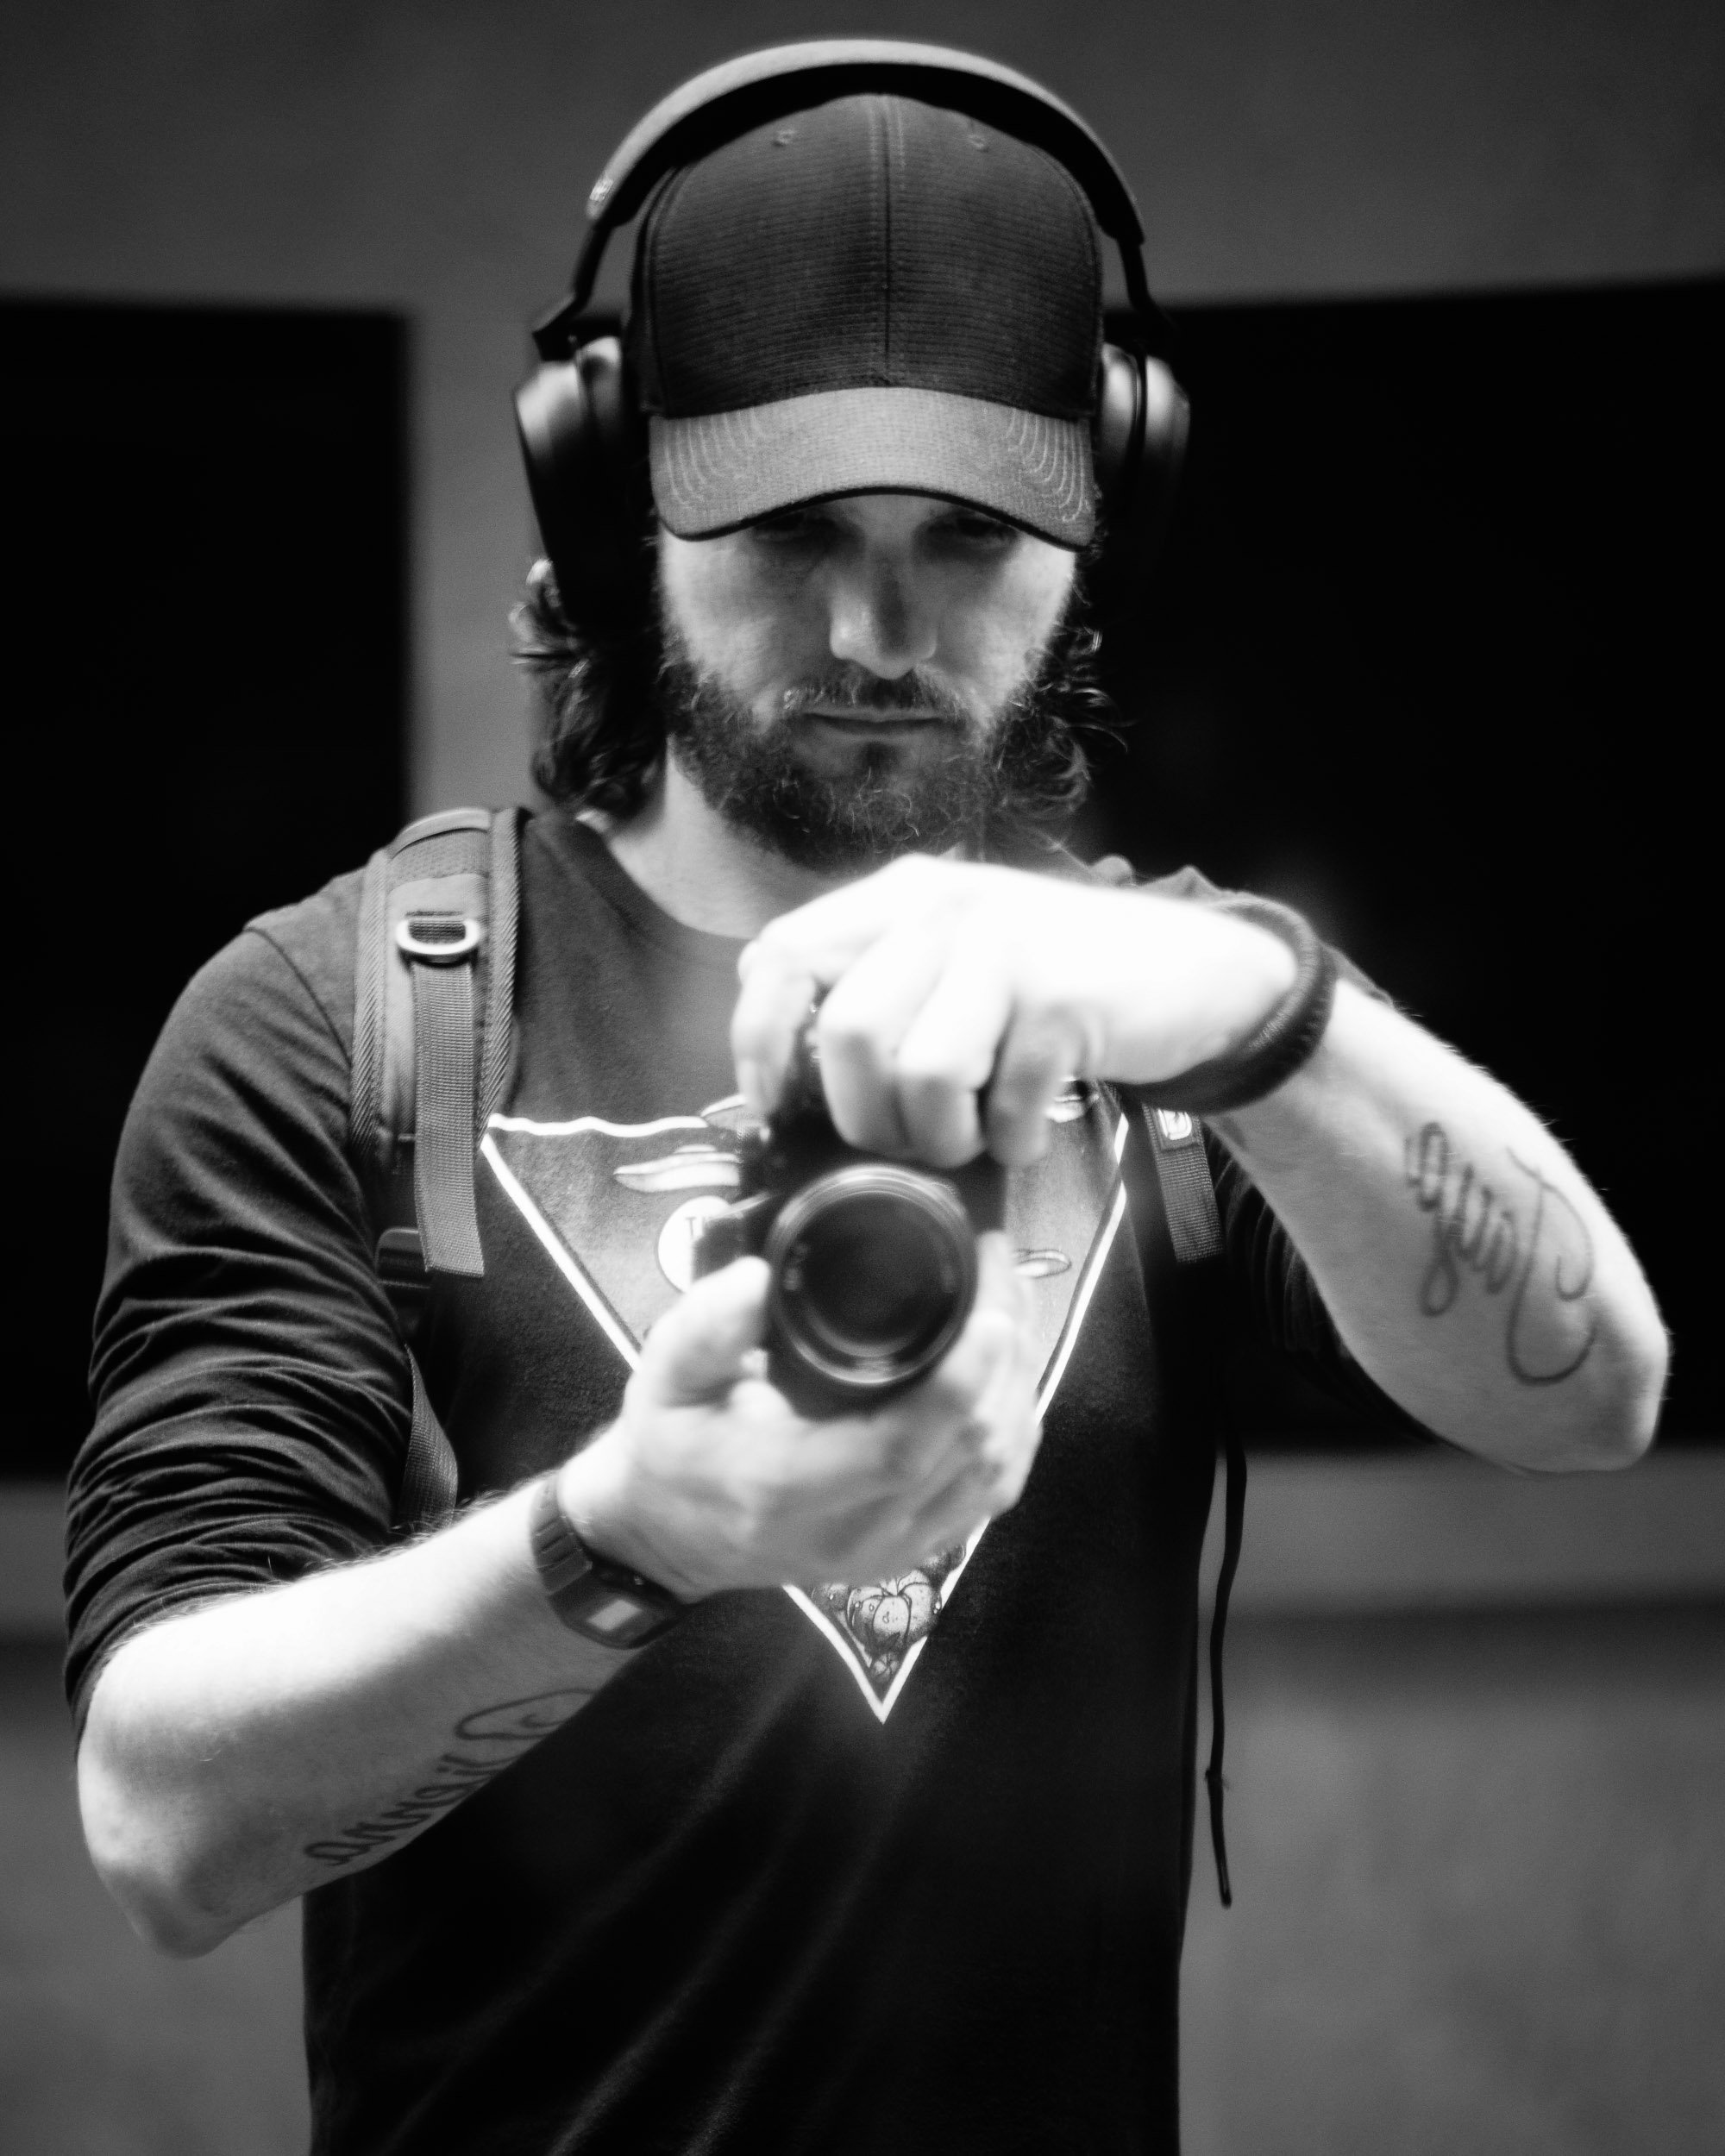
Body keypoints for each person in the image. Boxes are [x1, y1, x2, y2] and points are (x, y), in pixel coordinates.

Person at [66, 41, 1666, 2156]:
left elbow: (1591, 1394)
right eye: (791, 525)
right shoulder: (333, 1018)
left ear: (1104, 522)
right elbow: (164, 1825)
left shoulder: (1197, 1018)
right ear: (608, 494)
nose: (873, 626)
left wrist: (1251, 1009)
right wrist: (626, 1534)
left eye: (972, 541)